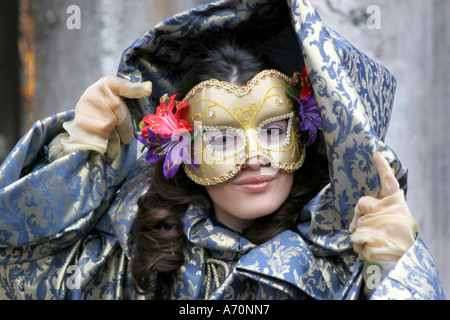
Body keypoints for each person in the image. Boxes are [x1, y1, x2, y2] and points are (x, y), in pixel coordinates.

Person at [0, 0, 445, 300]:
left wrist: (399, 271)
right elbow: (16, 270)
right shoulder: (137, 260)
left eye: (273, 130)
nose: (255, 157)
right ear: (181, 149)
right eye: (222, 137)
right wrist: (76, 149)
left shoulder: (346, 267)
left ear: (304, 130)